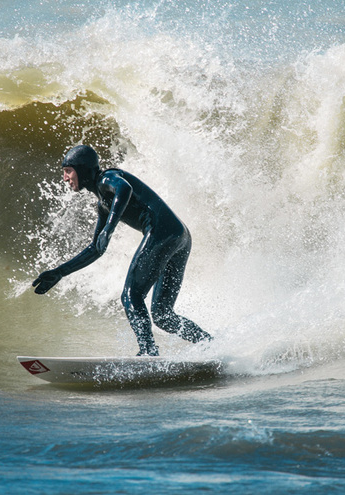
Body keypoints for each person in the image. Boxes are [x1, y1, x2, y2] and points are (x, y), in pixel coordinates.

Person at [32, 145, 212, 356]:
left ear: (82, 169)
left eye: (68, 171)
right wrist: (60, 272)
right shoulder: (103, 204)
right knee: (162, 315)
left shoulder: (107, 178)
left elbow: (124, 188)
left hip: (162, 233)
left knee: (131, 296)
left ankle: (148, 352)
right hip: (179, 237)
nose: (65, 178)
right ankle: (210, 344)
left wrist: (109, 227)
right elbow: (96, 249)